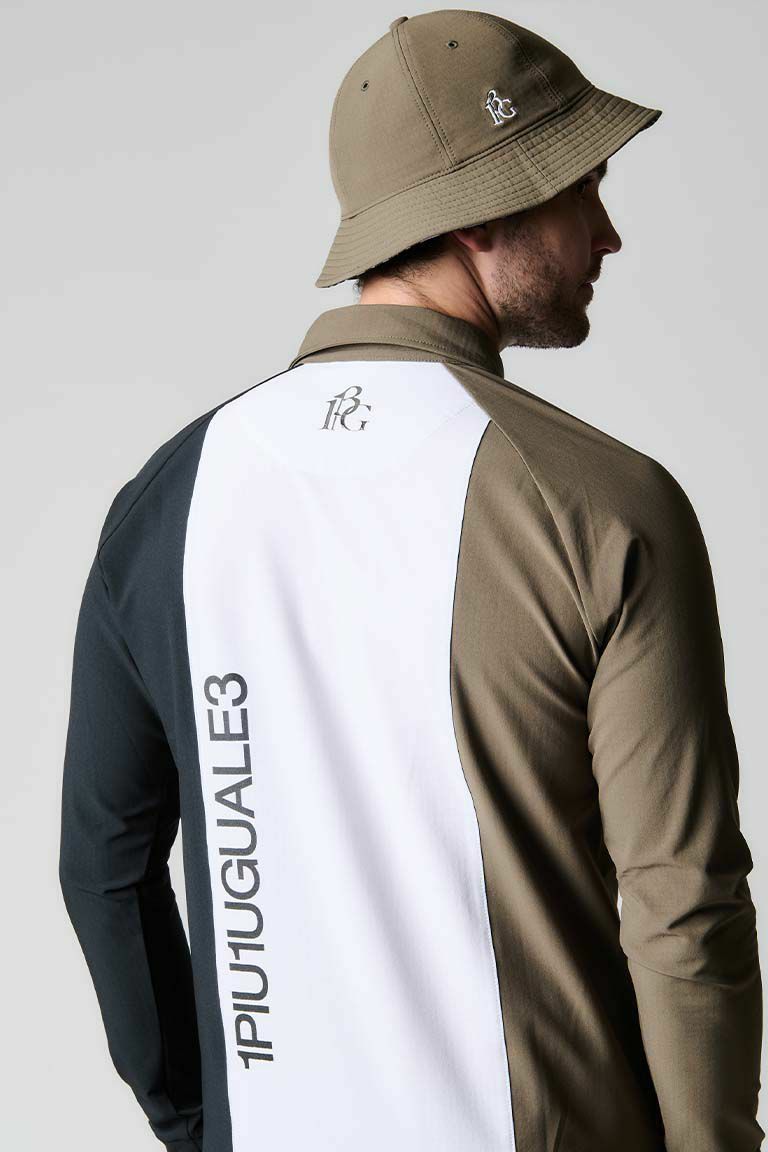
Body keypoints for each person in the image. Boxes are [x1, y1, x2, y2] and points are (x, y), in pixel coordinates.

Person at [58, 10, 763, 1152]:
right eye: (580, 187)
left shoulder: (164, 504)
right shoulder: (601, 504)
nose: (608, 233)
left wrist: (200, 1124)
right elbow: (683, 905)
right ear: (480, 213)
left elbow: (104, 868)